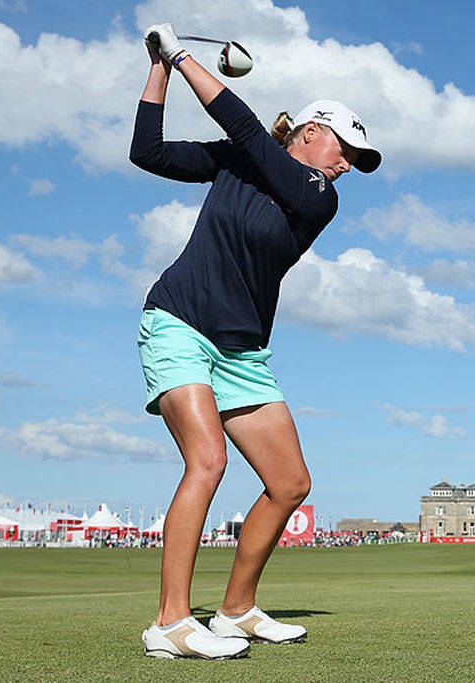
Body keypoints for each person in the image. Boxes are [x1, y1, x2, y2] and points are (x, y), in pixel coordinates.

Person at [130, 24, 381, 660]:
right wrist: (161, 65)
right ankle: (170, 622)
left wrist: (183, 55)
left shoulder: (318, 196)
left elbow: (246, 132)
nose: (347, 163)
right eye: (344, 147)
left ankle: (236, 609)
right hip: (180, 322)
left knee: (290, 481)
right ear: (310, 131)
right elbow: (148, 152)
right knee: (207, 460)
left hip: (243, 351)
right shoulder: (242, 160)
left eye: (354, 157)